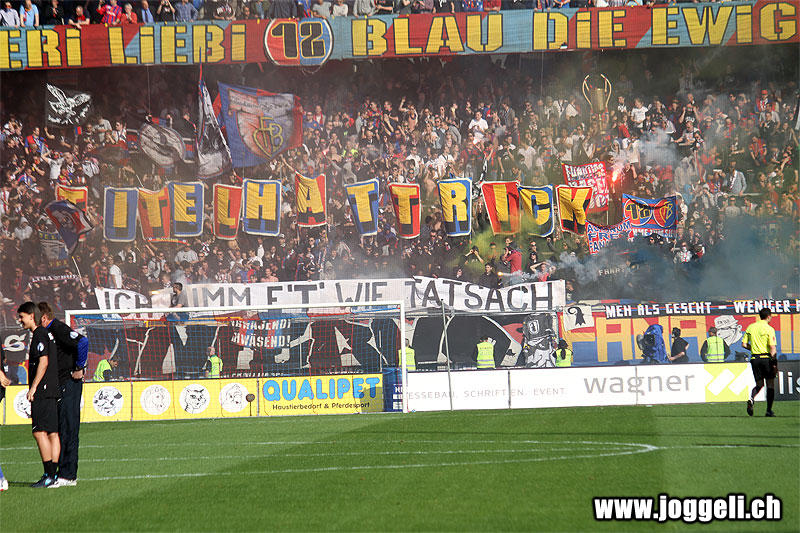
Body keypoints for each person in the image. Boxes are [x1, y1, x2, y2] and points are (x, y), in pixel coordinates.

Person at [38, 302, 88, 488]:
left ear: (44, 318)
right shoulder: (48, 332)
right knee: (61, 428)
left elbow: (83, 342)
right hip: (61, 385)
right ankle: (62, 472)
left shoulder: (57, 328)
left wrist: (79, 367)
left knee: (68, 428)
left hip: (69, 383)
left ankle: (68, 475)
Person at [17, 301, 60, 488]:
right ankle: (53, 475)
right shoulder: (46, 333)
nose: (20, 320)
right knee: (52, 433)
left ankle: (49, 475)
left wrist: (33, 387)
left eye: (22, 317)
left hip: (43, 390)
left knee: (39, 432)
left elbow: (44, 361)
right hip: (51, 388)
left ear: (31, 316)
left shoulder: (39, 334)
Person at [742, 308, 778, 417]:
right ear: (768, 316)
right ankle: (768, 411)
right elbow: (772, 348)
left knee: (759, 384)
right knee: (770, 384)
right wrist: (774, 363)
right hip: (766, 358)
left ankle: (751, 398)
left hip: (755, 359)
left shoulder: (751, 327)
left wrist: (753, 349)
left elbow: (744, 344)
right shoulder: (769, 329)